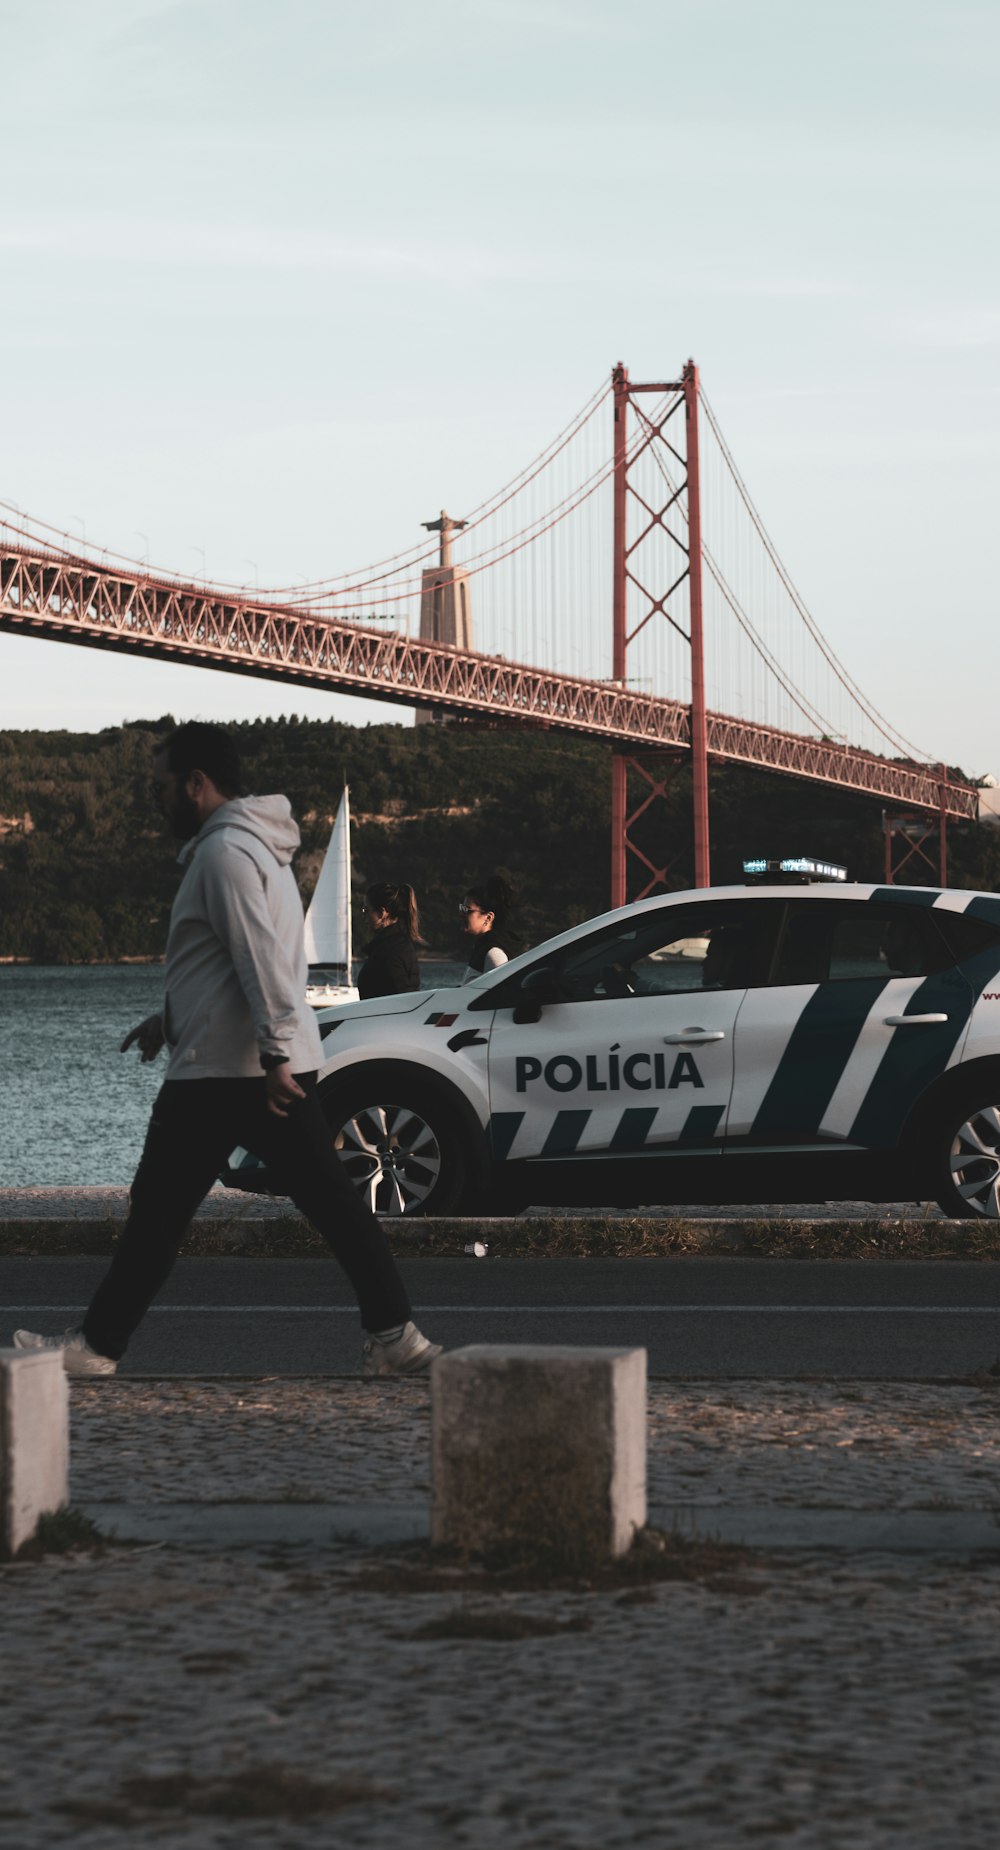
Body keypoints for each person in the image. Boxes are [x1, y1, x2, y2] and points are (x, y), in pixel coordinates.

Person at [13, 723, 441, 1379]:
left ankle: (97, 1347)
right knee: (329, 1203)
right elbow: (227, 967)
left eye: (162, 788)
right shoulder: (258, 850)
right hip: (253, 1062)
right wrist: (167, 1021)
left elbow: (262, 959)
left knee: (157, 1213)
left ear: (195, 784)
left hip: (228, 1073)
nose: (157, 802)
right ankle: (395, 1337)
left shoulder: (224, 855)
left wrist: (271, 1057)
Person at [356, 881, 423, 999]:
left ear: (382, 913)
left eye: (366, 910)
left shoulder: (390, 951)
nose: (364, 916)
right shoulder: (399, 945)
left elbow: (403, 999)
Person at [461, 875, 518, 983]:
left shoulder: (494, 953)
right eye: (461, 908)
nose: (461, 914)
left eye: (467, 910)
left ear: (488, 918)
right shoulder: (482, 947)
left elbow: (499, 994)